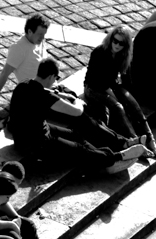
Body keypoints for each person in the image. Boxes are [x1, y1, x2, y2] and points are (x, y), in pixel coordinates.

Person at [8, 59, 148, 173]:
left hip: (24, 135)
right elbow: (77, 111)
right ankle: (116, 157)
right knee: (79, 150)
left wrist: (64, 94)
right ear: (51, 76)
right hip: (36, 142)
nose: (55, 82)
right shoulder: (45, 97)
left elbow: (44, 91)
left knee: (76, 135)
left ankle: (104, 155)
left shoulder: (23, 84)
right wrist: (77, 101)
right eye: (56, 78)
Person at [85, 26, 156, 156]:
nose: (117, 45)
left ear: (126, 45)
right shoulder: (100, 52)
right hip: (93, 87)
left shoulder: (123, 55)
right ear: (111, 39)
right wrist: (113, 94)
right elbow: (96, 80)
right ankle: (135, 142)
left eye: (121, 43)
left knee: (134, 105)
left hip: (111, 85)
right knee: (118, 107)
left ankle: (151, 140)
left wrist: (128, 95)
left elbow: (127, 80)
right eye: (115, 41)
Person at [0, 13, 52, 114]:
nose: (43, 38)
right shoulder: (19, 48)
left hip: (51, 88)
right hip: (37, 95)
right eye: (40, 34)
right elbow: (5, 74)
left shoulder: (38, 42)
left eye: (44, 34)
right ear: (30, 31)